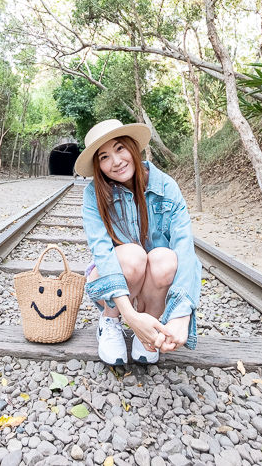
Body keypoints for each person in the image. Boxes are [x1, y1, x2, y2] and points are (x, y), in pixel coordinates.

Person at [76, 119, 201, 365]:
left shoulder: (166, 186)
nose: (116, 161)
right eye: (104, 157)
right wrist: (128, 315)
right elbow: (101, 252)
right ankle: (110, 322)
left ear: (133, 147)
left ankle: (151, 326)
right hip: (113, 280)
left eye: (120, 148)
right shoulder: (93, 194)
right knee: (133, 255)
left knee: (165, 258)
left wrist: (181, 316)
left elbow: (185, 247)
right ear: (98, 165)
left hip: (153, 286)